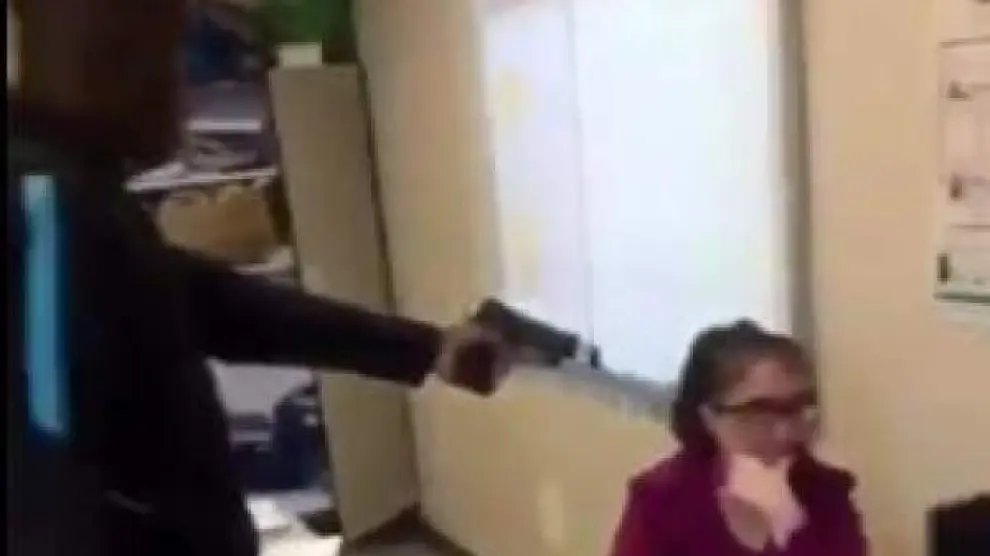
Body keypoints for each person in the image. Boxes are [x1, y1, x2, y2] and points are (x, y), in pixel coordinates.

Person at [6, 1, 510, 555]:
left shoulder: (75, 203)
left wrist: (428, 349)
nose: (182, 93)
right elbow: (50, 488)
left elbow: (218, 304)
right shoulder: (46, 213)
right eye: (168, 58)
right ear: (111, 61)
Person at [610, 321, 868, 556]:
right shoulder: (662, 501)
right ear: (709, 416)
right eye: (760, 412)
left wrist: (788, 532)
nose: (785, 432)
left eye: (797, 407)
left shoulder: (827, 492)